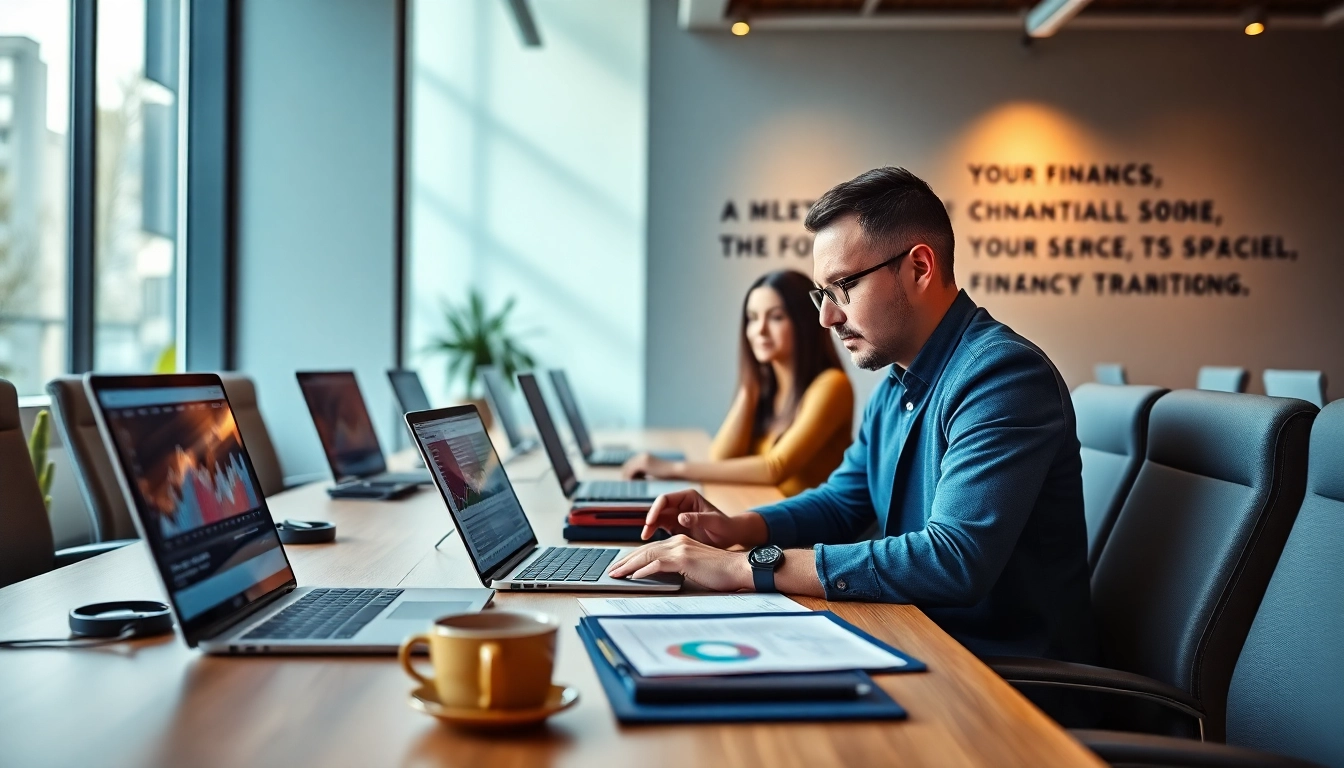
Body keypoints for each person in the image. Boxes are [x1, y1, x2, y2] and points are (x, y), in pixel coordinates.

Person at [610, 167, 1096, 663]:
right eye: (822, 294)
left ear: (920, 268)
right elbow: (843, 502)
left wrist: (745, 567)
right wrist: (735, 530)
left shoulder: (1003, 376)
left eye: (843, 287)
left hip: (1002, 677)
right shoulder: (898, 384)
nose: (826, 317)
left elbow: (952, 560)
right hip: (919, 637)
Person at [622, 270, 853, 497]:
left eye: (775, 317)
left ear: (805, 323)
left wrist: (671, 469)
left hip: (810, 528)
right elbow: (720, 460)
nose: (759, 330)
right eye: (752, 318)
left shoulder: (832, 385)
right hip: (767, 512)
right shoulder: (767, 390)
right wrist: (749, 390)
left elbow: (775, 468)